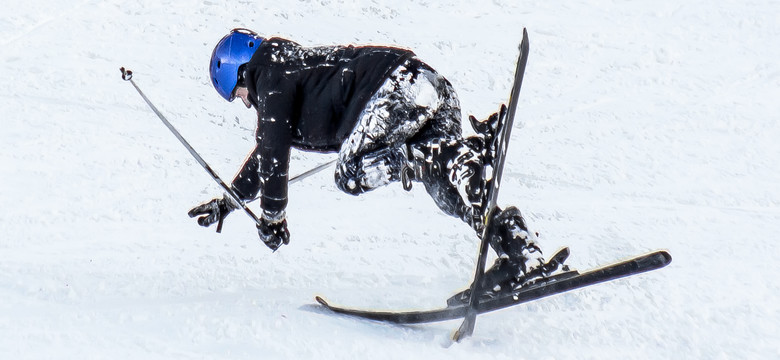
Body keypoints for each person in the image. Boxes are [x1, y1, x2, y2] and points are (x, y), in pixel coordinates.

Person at [188, 28, 564, 291]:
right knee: (447, 187)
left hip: (396, 87)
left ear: (241, 69)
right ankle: (520, 251)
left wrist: (273, 217)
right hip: (428, 85)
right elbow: (264, 157)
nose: (244, 100)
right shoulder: (291, 71)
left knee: (351, 172)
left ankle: (464, 153)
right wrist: (229, 203)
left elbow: (273, 153)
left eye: (237, 92)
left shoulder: (270, 73)